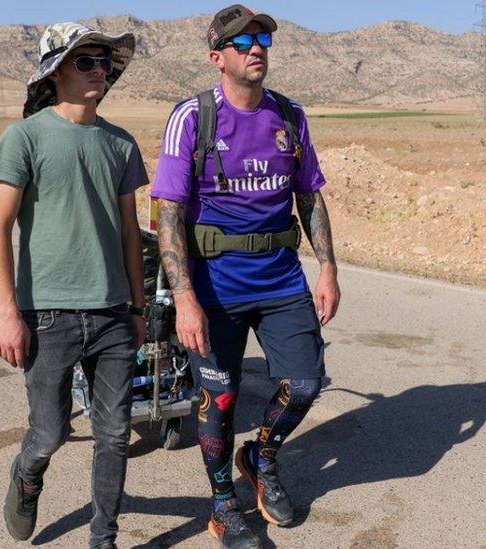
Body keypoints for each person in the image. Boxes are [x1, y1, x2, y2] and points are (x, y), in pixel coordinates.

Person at [152, 5, 341, 548]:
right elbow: (167, 211)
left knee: (304, 384)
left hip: (281, 281)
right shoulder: (192, 117)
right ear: (218, 58)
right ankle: (222, 506)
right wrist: (184, 299)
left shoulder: (289, 115)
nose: (256, 48)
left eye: (262, 39)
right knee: (221, 398)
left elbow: (309, 195)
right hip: (213, 287)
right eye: (241, 43)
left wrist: (327, 267)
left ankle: (260, 456)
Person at [0, 22, 148, 549]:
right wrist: (8, 313)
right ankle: (27, 476)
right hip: (46, 313)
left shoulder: (121, 144)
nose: (100, 69)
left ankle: (104, 537)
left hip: (113, 315)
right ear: (55, 72)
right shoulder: (24, 137)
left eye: (103, 61)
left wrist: (139, 307)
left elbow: (130, 232)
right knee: (50, 432)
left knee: (114, 436)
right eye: (86, 61)